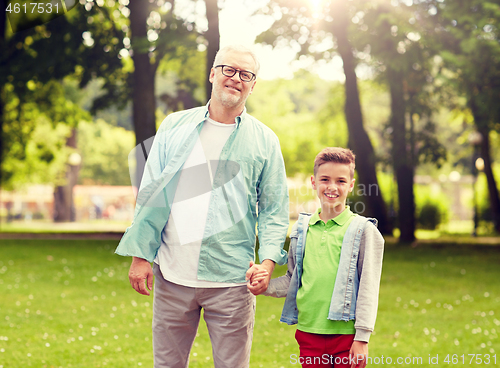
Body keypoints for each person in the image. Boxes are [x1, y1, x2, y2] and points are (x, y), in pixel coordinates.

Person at [115, 44, 289, 368]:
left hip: (232, 282)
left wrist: (266, 264)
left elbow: (273, 210)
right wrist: (141, 256)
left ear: (253, 84)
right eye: (229, 69)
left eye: (246, 74)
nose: (236, 78)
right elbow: (151, 193)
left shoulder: (266, 141)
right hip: (172, 276)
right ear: (213, 73)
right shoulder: (173, 126)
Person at [255, 147, 384, 368]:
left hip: (346, 336)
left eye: (341, 181)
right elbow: (292, 279)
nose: (332, 187)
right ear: (313, 182)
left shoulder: (363, 230)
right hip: (308, 332)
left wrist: (362, 337)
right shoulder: (301, 229)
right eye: (325, 179)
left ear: (351, 185)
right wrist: (263, 285)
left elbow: (368, 289)